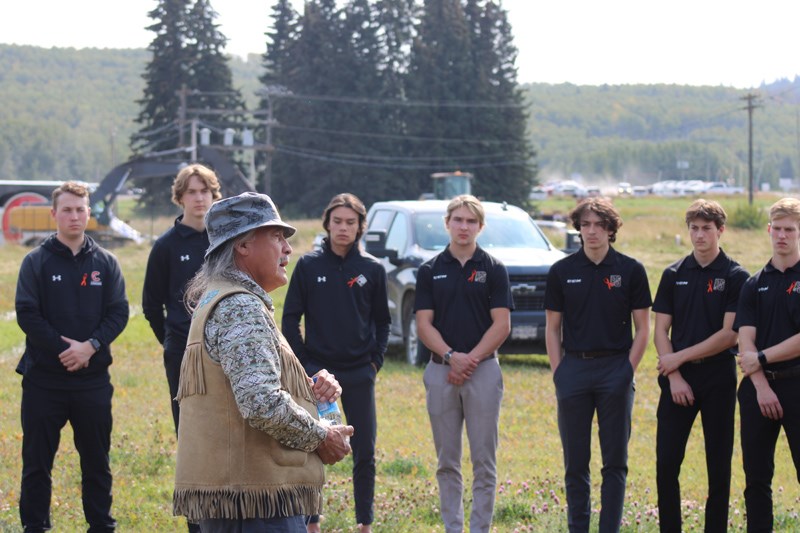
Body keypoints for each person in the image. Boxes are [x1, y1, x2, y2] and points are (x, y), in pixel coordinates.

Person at [173, 191, 354, 532]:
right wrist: (321, 437)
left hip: (243, 499)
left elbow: (246, 390)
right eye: (275, 237)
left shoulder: (220, 297)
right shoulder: (240, 306)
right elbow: (260, 402)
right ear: (242, 245)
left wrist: (310, 393)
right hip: (254, 504)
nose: (287, 249)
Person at [15, 181, 129, 532]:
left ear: (89, 213)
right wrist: (65, 350)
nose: (75, 216)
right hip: (44, 382)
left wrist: (90, 346)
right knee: (36, 464)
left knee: (96, 462)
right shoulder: (36, 261)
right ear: (54, 214)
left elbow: (118, 312)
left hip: (92, 382)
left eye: (81, 209)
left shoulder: (106, 263)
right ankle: (35, 526)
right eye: (67, 209)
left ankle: (101, 526)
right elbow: (27, 313)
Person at [282, 193, 390, 533]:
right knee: (314, 443)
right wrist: (305, 367)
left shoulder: (372, 269)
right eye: (338, 221)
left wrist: (374, 362)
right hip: (318, 376)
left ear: (360, 228)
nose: (343, 228)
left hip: (359, 372)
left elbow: (383, 322)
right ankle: (312, 522)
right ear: (327, 224)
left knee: (364, 449)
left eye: (351, 222)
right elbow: (289, 320)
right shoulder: (308, 265)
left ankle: (364, 523)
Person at [544, 197, 651, 533]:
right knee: (575, 463)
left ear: (611, 229)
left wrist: (627, 371)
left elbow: (644, 328)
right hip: (573, 370)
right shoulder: (562, 271)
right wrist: (559, 372)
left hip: (615, 371)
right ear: (578, 229)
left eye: (599, 225)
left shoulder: (631, 270)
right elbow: (552, 327)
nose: (592, 231)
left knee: (615, 463)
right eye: (586, 225)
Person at [414, 194, 512, 533]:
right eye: (458, 219)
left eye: (471, 221)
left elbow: (502, 324)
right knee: (447, 462)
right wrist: (451, 357)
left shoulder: (494, 269)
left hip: (483, 372)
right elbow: (423, 323)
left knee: (484, 461)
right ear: (447, 223)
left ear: (480, 227)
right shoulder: (429, 270)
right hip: (441, 371)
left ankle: (480, 528)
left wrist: (470, 360)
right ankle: (453, 528)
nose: (464, 226)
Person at [652, 199, 749, 533]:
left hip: (718, 375)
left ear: (720, 231)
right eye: (694, 228)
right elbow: (660, 331)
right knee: (666, 463)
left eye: (706, 228)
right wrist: (675, 374)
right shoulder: (673, 274)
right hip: (677, 379)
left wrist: (678, 357)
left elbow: (729, 336)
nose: (699, 235)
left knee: (718, 465)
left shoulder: (736, 276)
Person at [735, 197, 800, 532]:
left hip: (797, 384)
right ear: (768, 230)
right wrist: (760, 385)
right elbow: (745, 337)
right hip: (759, 390)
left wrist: (761, 357)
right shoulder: (754, 282)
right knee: (756, 479)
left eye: (790, 229)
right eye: (777, 229)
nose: (782, 236)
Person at [142, 163, 221, 435]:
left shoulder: (224, 241)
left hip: (225, 345)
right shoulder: (166, 246)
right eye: (191, 192)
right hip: (182, 348)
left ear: (214, 195)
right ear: (180, 197)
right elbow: (151, 304)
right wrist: (170, 338)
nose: (199, 198)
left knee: (225, 423)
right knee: (188, 426)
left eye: (204, 191)